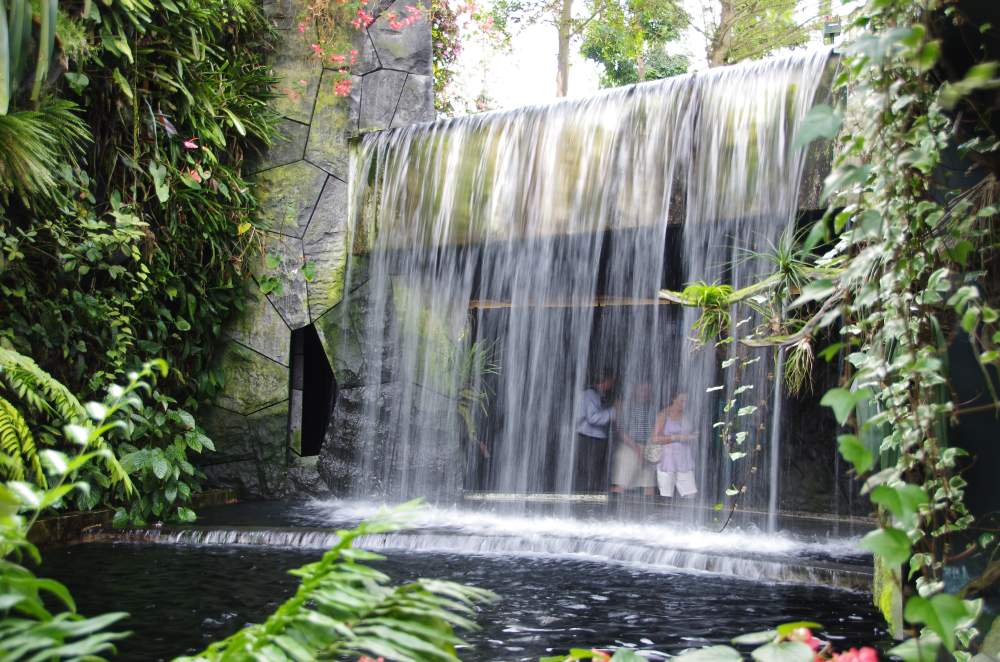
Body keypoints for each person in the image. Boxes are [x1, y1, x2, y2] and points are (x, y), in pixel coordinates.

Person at [611, 381, 656, 497]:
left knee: (649, 485)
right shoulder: (626, 407)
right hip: (629, 447)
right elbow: (620, 430)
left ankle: (648, 509)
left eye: (647, 391)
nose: (645, 393)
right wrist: (636, 448)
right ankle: (613, 506)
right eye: (642, 390)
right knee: (622, 483)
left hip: (647, 447)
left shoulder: (652, 408)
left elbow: (655, 429)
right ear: (635, 390)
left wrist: (649, 449)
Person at [651, 392, 697, 499]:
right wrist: (677, 437)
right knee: (666, 495)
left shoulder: (686, 415)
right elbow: (655, 439)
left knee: (690, 494)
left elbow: (691, 433)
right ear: (673, 399)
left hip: (684, 460)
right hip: (667, 460)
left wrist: (694, 436)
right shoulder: (663, 415)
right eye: (682, 401)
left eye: (686, 401)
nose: (684, 404)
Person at [574, 375, 616, 493]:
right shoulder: (590, 394)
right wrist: (613, 411)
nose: (612, 385)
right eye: (611, 381)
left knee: (595, 471)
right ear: (605, 381)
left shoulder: (598, 395)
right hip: (589, 438)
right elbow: (592, 418)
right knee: (589, 470)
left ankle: (592, 493)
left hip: (596, 438)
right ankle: (586, 494)